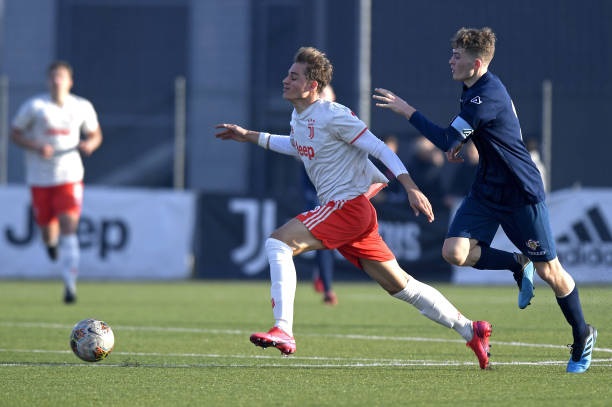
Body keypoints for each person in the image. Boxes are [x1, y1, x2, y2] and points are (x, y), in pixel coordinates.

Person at [216, 46, 492, 369]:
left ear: (312, 86)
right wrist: (248, 136)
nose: (285, 80)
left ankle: (284, 329)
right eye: (288, 75)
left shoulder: (333, 115)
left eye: (294, 76)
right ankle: (470, 328)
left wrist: (411, 187)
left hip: (347, 207)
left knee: (278, 242)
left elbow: (378, 148)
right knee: (401, 286)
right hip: (349, 214)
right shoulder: (299, 117)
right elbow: (296, 145)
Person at [373, 27, 596, 373]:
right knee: (454, 252)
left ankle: (583, 335)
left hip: (520, 192)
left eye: (457, 55)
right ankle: (515, 263)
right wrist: (464, 142)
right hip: (488, 188)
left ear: (476, 63)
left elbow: (448, 137)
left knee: (551, 272)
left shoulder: (486, 94)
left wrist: (407, 111)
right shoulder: (472, 89)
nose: (450, 60)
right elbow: (475, 132)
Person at [11, 60, 103, 304]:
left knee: (69, 225)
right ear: (47, 80)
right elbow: (14, 133)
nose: (57, 80)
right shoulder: (35, 106)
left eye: (61, 76)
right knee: (47, 232)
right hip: (39, 177)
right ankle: (51, 244)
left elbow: (95, 134)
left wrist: (90, 144)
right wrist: (36, 146)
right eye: (53, 76)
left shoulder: (81, 106)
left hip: (69, 175)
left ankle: (70, 286)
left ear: (70, 81)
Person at [302, 84, 337, 305]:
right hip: (314, 191)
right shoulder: (304, 121)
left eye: (327, 96)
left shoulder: (341, 122)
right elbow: (297, 150)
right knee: (323, 238)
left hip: (339, 192)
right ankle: (327, 287)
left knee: (330, 241)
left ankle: (322, 277)